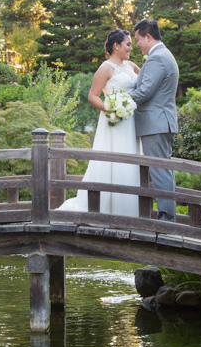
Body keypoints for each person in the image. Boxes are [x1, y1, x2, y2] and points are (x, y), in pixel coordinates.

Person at [57, 30, 142, 216]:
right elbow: (92, 96)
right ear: (116, 46)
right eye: (128, 44)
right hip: (114, 121)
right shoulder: (106, 68)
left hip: (131, 122)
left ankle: (128, 211)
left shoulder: (131, 66)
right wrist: (112, 109)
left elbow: (146, 80)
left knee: (130, 162)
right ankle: (106, 208)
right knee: (114, 161)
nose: (131, 48)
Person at [129, 19, 179, 222]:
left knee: (159, 171)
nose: (137, 44)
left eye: (138, 39)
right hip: (159, 122)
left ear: (148, 37)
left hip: (155, 123)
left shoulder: (157, 58)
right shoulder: (163, 55)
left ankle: (167, 220)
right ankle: (168, 216)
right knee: (162, 170)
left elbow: (145, 91)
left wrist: (117, 101)